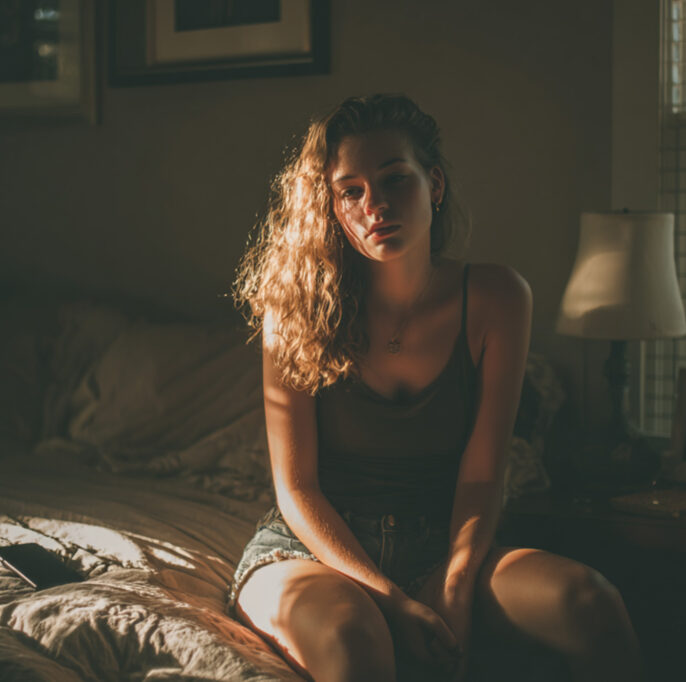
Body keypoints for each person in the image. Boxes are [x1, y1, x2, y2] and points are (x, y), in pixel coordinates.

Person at [230, 94, 640, 681]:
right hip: (316, 551)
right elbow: (298, 489)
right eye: (350, 191)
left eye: (394, 179)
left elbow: (482, 474)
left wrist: (455, 582)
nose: (374, 205)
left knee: (591, 602)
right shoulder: (294, 308)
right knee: (356, 641)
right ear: (332, 207)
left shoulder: (497, 297)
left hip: (440, 542)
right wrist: (392, 602)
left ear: (435, 183)